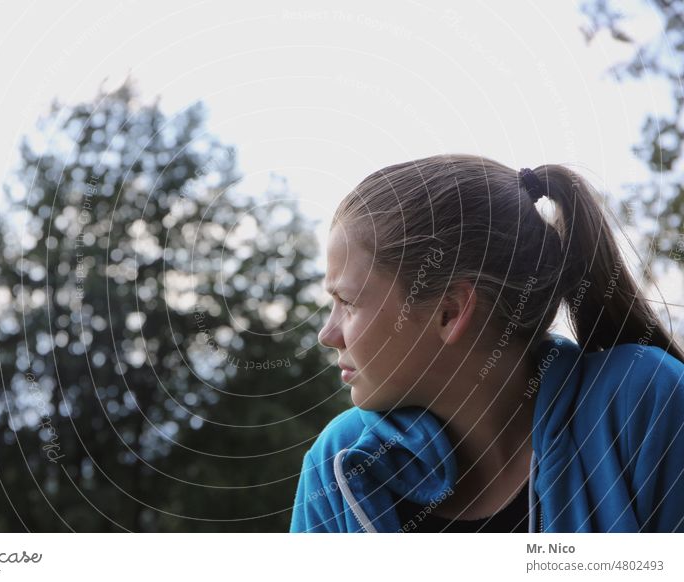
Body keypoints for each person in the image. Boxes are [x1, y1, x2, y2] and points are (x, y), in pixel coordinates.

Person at [288, 154, 684, 533]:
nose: (327, 334)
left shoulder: (644, 400)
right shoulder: (339, 463)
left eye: (348, 302)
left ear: (450, 311)